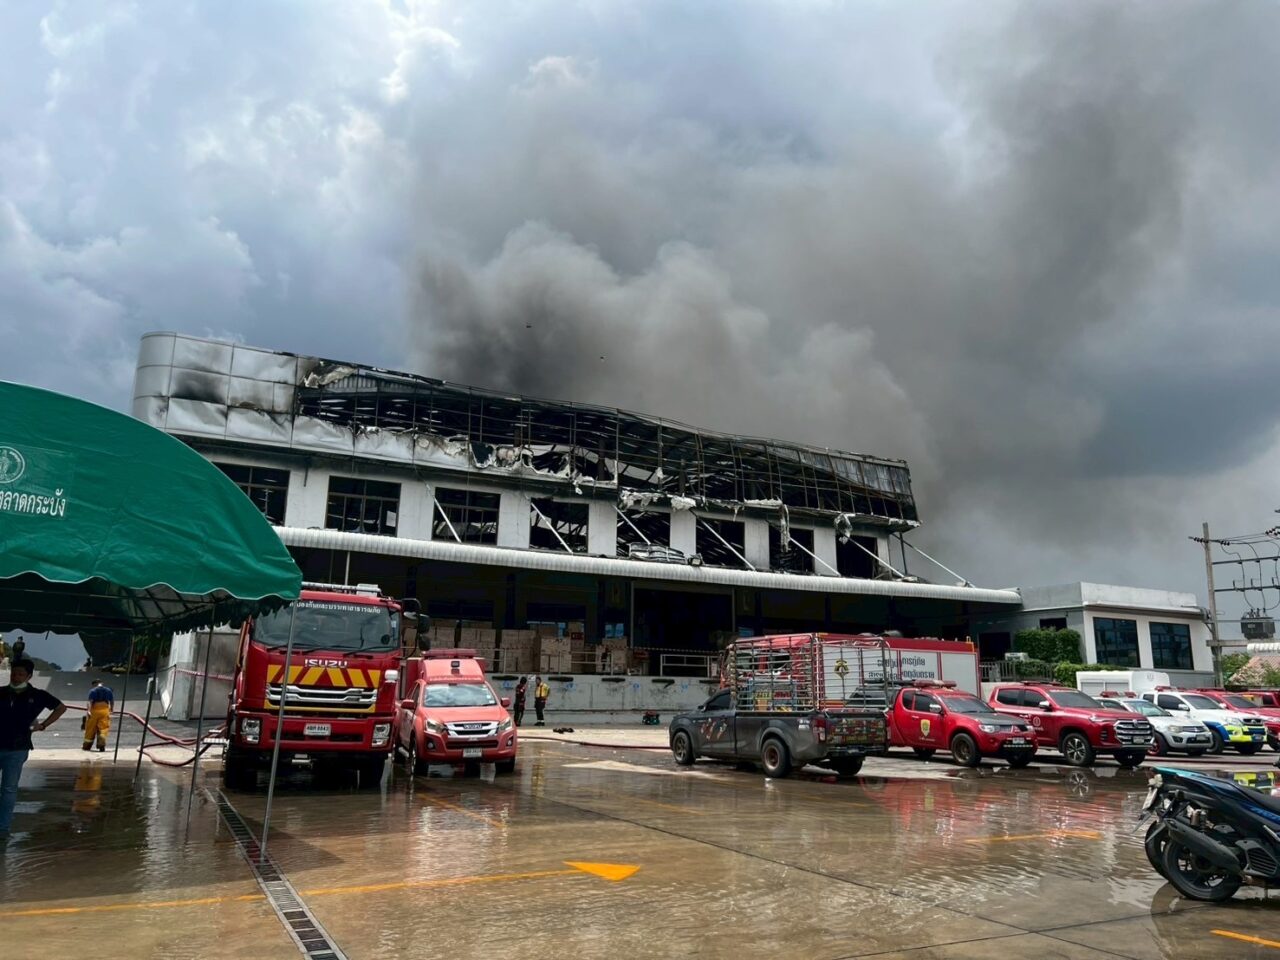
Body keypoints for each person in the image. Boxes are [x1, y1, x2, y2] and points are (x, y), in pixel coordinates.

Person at [0, 658, 67, 839]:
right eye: (14, 673)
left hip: (17, 747)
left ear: (29, 676)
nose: (16, 677)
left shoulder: (37, 695)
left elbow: (61, 708)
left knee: (8, 789)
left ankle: (3, 828)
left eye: (20, 674)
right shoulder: (2, 692)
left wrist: (43, 725)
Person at [83, 679, 114, 752]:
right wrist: (111, 709)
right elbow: (112, 701)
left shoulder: (93, 691)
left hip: (94, 710)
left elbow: (90, 702)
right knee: (103, 727)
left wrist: (88, 711)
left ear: (94, 684)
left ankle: (87, 746)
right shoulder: (108, 690)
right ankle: (101, 742)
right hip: (104, 710)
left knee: (90, 728)